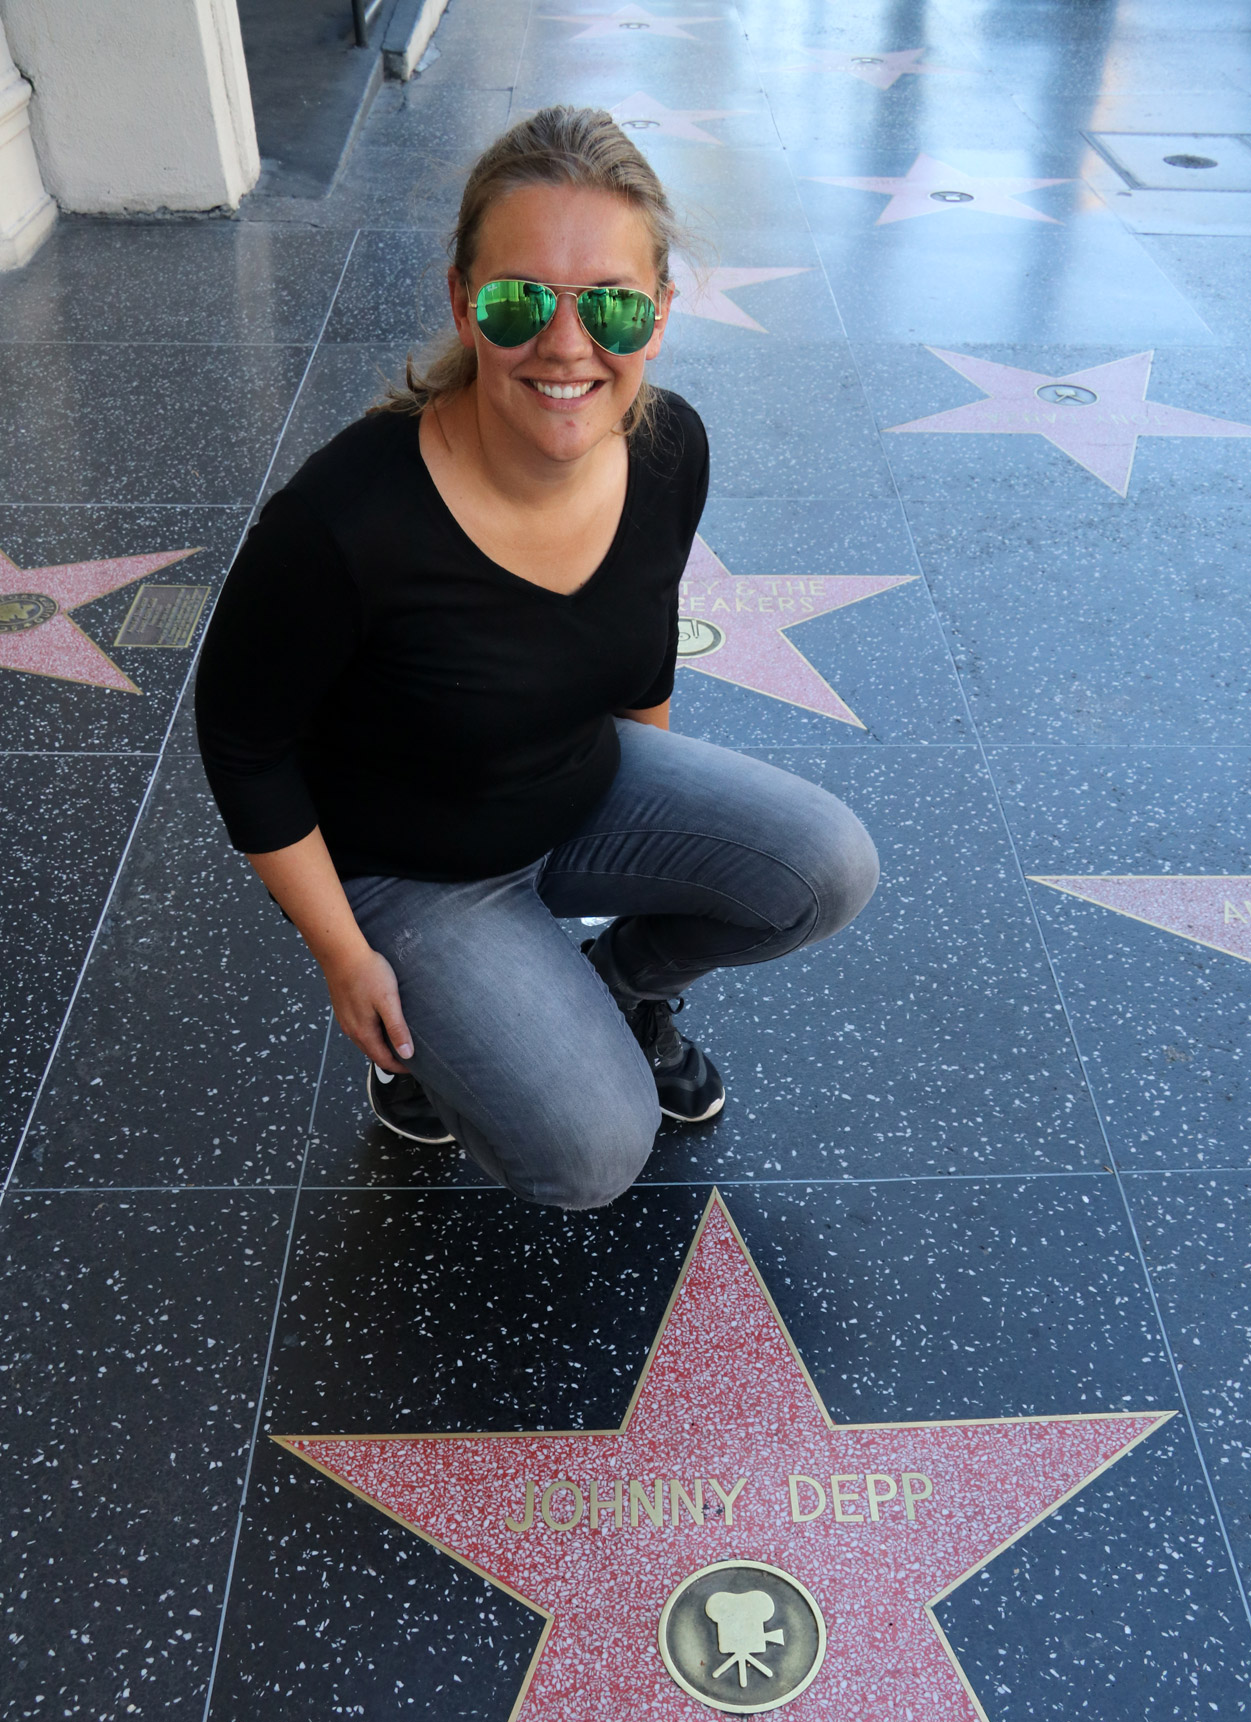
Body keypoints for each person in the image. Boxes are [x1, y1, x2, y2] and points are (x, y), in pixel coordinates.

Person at [195, 106, 879, 1210]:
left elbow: (642, 638)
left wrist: (646, 837)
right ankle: (431, 1064)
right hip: (407, 872)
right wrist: (344, 954)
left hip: (575, 784)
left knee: (827, 866)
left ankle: (618, 990)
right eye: (521, 302)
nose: (567, 345)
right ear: (466, 304)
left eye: (608, 302)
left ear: (657, 314)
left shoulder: (667, 446)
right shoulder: (345, 522)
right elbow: (241, 739)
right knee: (592, 1156)